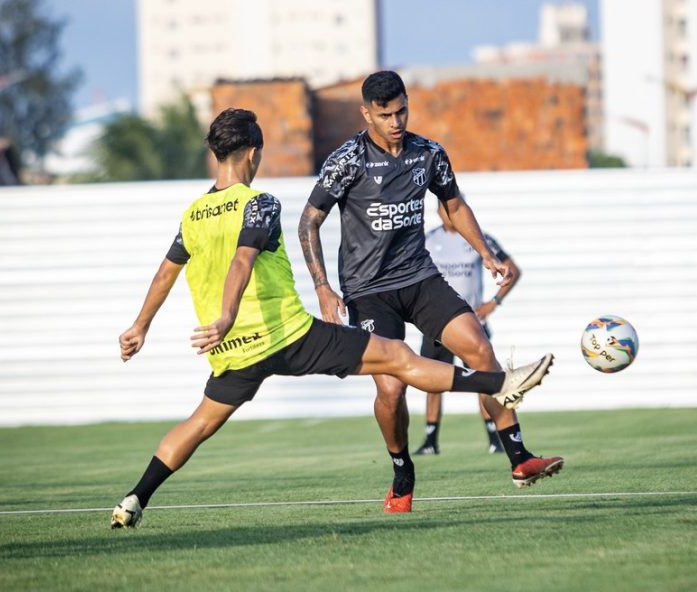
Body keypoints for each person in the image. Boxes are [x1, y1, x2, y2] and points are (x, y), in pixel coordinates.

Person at [110, 108, 554, 528]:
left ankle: (135, 498)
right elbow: (243, 262)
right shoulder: (258, 202)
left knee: (199, 423)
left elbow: (166, 273)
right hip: (287, 335)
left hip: (232, 351)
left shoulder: (193, 215)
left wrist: (140, 327)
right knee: (397, 356)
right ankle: (500, 383)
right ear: (253, 153)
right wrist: (228, 314)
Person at [298, 71, 564, 513]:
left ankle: (520, 458)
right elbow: (309, 221)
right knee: (390, 390)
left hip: (419, 278)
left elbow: (453, 206)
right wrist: (323, 288)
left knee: (479, 347)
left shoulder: (428, 154)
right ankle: (403, 471)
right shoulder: (347, 160)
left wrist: (485, 253)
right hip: (368, 291)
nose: (396, 121)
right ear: (367, 114)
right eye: (385, 115)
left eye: (401, 110)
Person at [414, 199, 522, 456]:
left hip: (472, 324)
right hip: (436, 324)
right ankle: (430, 441)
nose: (446, 213)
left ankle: (495, 437)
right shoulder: (427, 240)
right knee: (432, 382)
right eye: (441, 208)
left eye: (451, 207)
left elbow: (513, 270)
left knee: (484, 378)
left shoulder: (479, 240)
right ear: (437, 211)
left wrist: (493, 303)